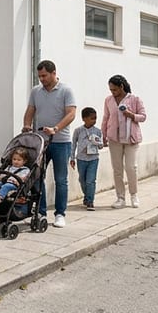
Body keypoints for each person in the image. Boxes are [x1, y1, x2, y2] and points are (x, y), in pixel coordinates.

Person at [21, 59, 77, 228]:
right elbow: (30, 110)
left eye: (44, 75)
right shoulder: (36, 91)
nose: (42, 79)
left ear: (54, 73)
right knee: (37, 178)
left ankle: (60, 214)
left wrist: (56, 128)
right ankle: (41, 211)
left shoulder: (66, 90)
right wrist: (26, 125)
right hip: (40, 143)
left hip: (61, 142)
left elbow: (71, 113)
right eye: (39, 76)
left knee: (61, 179)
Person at [103, 74, 147, 209]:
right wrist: (103, 134)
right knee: (117, 169)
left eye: (114, 90)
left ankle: (134, 195)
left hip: (131, 139)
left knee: (131, 168)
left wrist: (131, 115)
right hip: (114, 139)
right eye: (110, 90)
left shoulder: (135, 99)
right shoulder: (109, 100)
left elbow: (143, 117)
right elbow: (106, 118)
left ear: (121, 87)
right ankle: (120, 198)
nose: (113, 92)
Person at [70, 107, 103, 210]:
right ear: (84, 119)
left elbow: (101, 145)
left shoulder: (97, 131)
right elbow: (73, 144)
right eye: (92, 118)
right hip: (81, 159)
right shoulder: (78, 131)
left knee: (90, 180)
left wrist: (97, 143)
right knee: (82, 180)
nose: (94, 120)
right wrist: (72, 158)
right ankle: (86, 196)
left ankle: (90, 201)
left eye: (95, 118)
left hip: (93, 159)